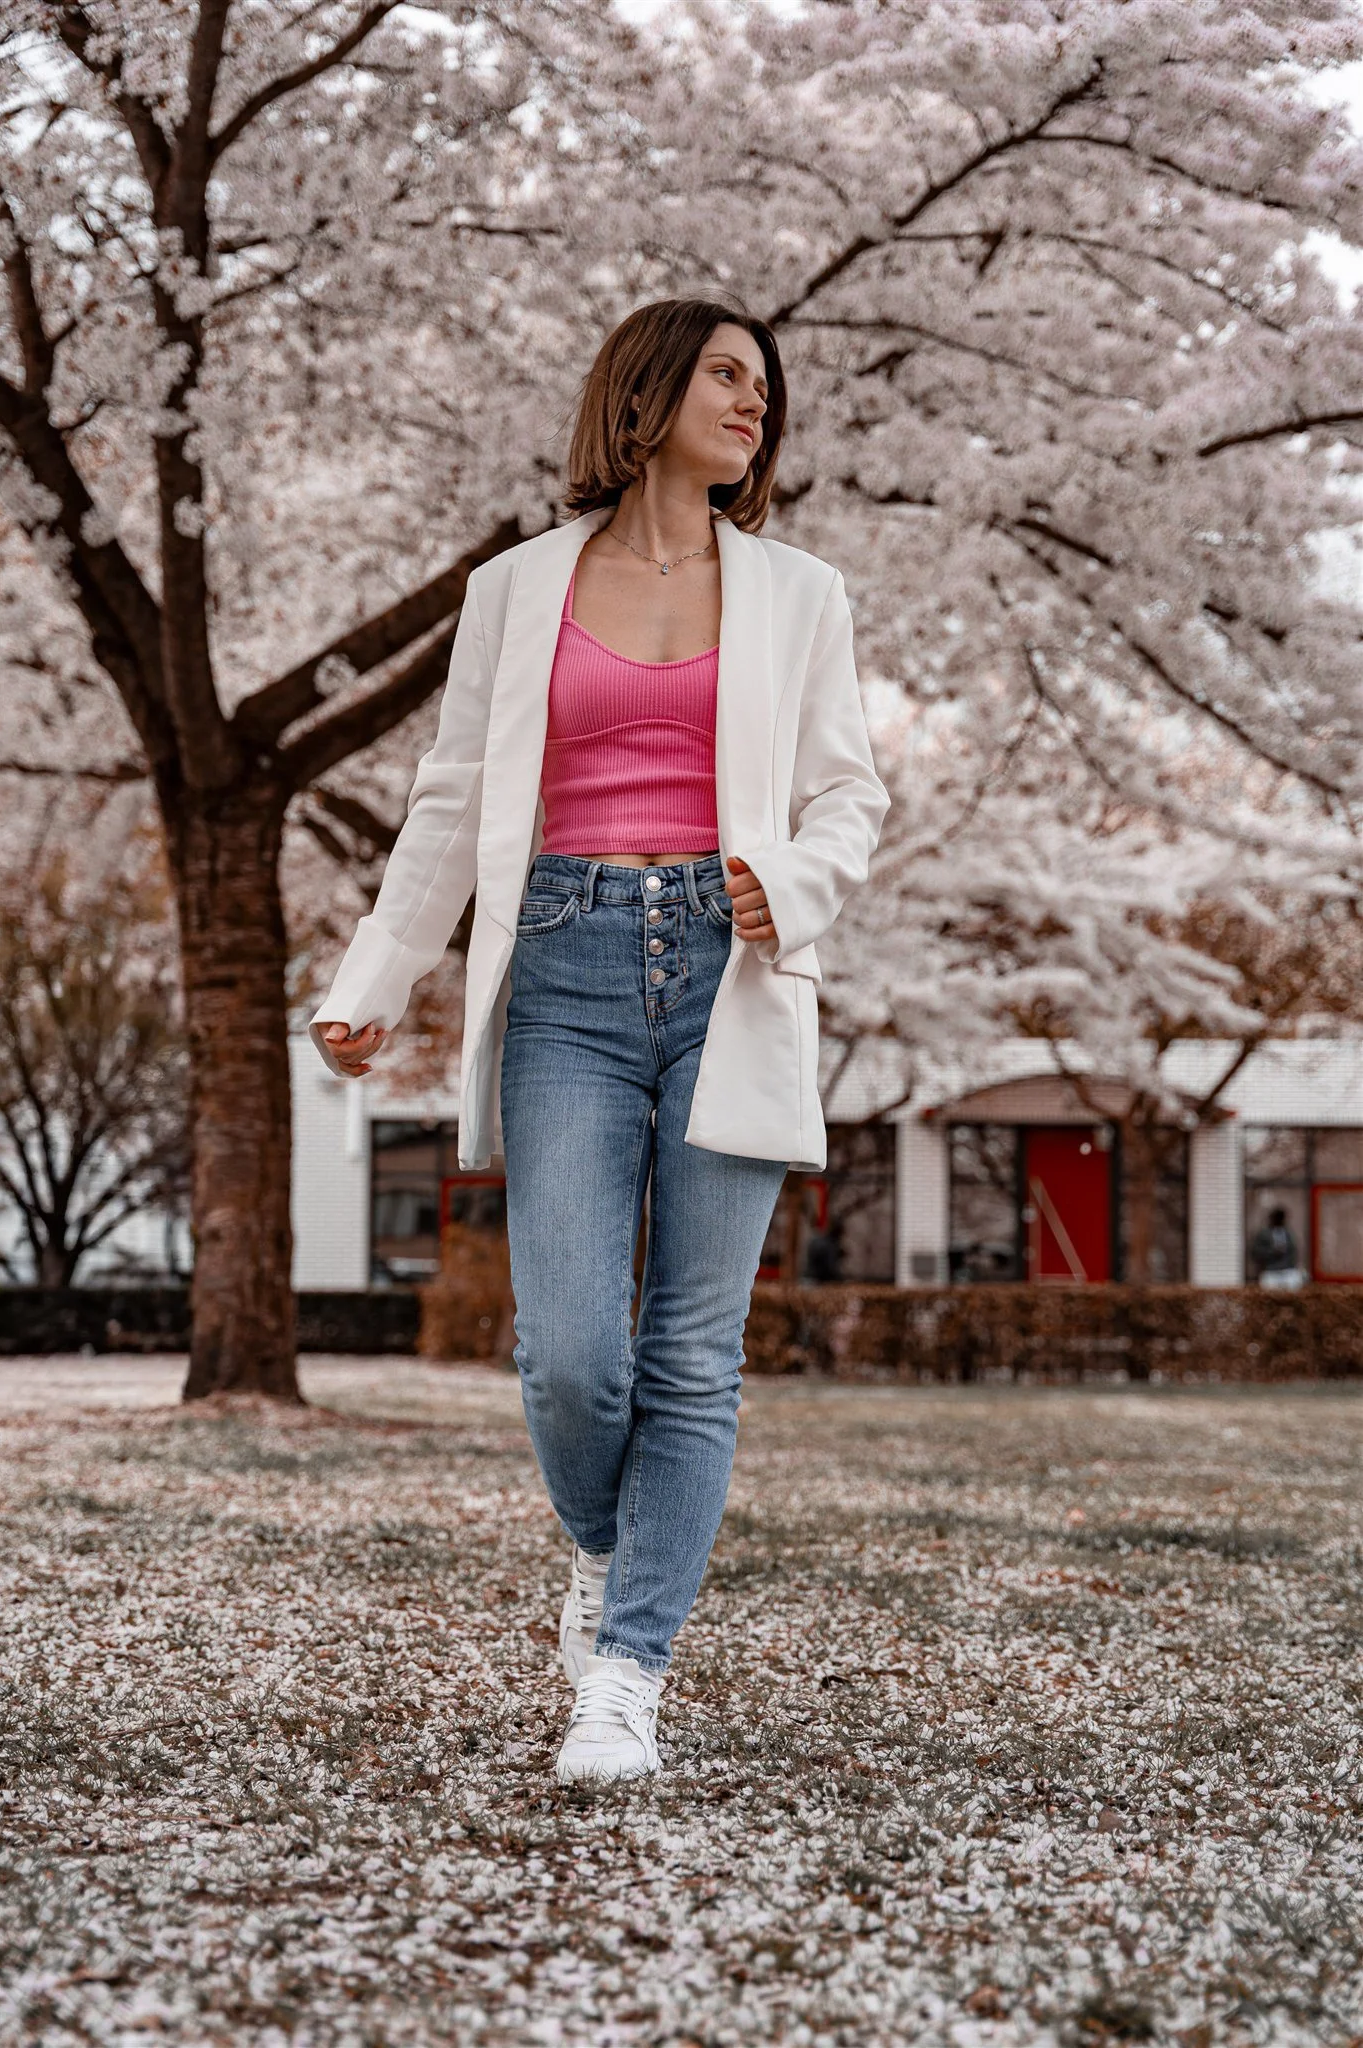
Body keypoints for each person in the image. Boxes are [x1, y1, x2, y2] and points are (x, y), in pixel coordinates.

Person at [309, 296, 891, 1785]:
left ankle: (625, 1673)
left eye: (766, 387)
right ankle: (603, 1549)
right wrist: (376, 973)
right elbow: (452, 800)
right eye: (724, 375)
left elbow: (848, 798)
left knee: (692, 1354)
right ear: (646, 391)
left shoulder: (800, 594)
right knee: (573, 1355)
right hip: (561, 966)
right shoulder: (515, 587)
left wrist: (791, 884)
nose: (754, 403)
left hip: (732, 965)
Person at [1249, 1206, 1306, 1289]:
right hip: (1271, 1271)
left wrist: (1291, 1263)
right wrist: (1272, 1252)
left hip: (1287, 1271)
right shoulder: (1264, 1233)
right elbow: (1256, 1252)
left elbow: (1293, 1250)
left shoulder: (1288, 1233)